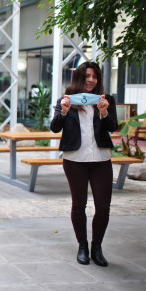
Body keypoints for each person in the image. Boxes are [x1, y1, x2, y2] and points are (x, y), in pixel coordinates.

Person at [50, 61, 118, 266]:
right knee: (79, 205)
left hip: (101, 159)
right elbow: (54, 128)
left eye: (94, 77)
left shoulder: (106, 100)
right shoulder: (66, 100)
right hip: (75, 160)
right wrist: (63, 111)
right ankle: (82, 246)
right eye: (87, 76)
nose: (91, 80)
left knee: (103, 207)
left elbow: (113, 127)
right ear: (79, 77)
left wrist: (104, 112)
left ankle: (97, 247)